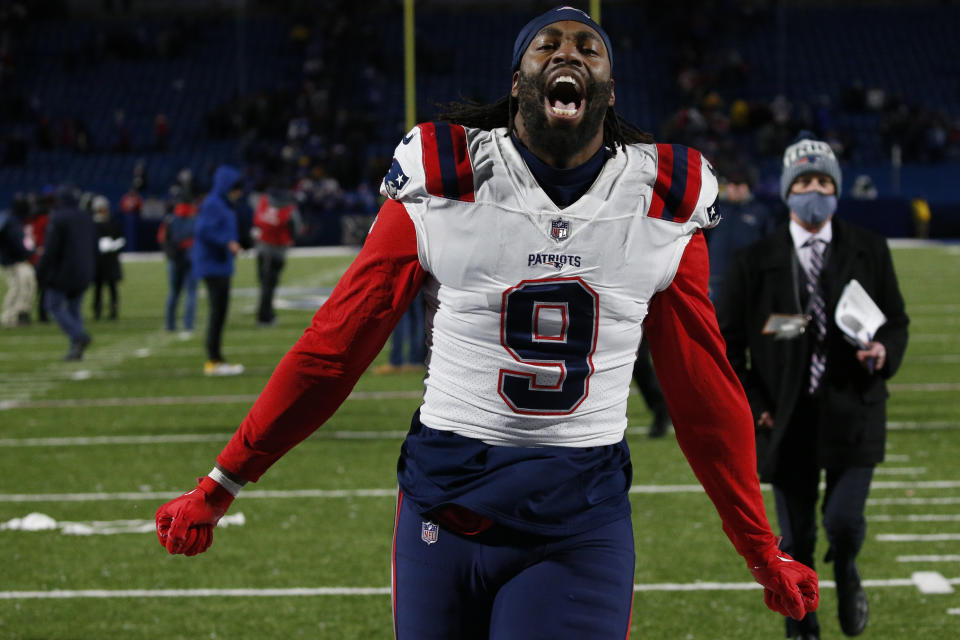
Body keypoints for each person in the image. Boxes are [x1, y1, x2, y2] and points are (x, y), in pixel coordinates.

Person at [156, 8, 818, 638]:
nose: (568, 53)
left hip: (577, 521)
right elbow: (336, 348)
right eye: (547, 46)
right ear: (516, 83)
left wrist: (761, 547)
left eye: (589, 48)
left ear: (609, 91)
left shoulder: (661, 196)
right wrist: (223, 482)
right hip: (444, 508)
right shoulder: (450, 177)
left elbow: (702, 390)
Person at [717, 135, 909, 639]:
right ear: (786, 191)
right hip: (785, 416)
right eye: (803, 182)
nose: (814, 191)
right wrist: (755, 403)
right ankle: (804, 626)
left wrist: (884, 350)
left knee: (843, 523)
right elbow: (729, 345)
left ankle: (846, 570)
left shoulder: (869, 249)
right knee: (796, 540)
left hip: (855, 408)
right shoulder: (754, 261)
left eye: (823, 181)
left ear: (837, 189)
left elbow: (896, 322)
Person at [192, 165, 245, 375]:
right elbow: (202, 230)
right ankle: (214, 359)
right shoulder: (214, 203)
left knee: (220, 312)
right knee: (217, 312)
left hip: (219, 264)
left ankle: (216, 357)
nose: (239, 193)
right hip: (213, 265)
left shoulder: (221, 203)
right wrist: (228, 242)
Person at [35, 187, 97, 360]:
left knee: (53, 305)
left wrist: (40, 271)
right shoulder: (86, 217)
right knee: (74, 308)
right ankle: (75, 350)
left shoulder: (58, 218)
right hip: (85, 270)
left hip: (64, 272)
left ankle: (78, 336)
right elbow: (94, 246)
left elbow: (51, 250)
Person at [705, 166, 778, 304]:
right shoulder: (714, 210)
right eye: (732, 183)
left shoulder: (760, 212)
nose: (736, 188)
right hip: (716, 278)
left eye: (740, 184)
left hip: (749, 278)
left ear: (748, 187)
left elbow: (769, 244)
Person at [251, 189, 303, 326]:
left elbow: (256, 221)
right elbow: (297, 228)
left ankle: (266, 312)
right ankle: (264, 316)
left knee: (264, 284)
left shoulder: (263, 202)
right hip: (277, 251)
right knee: (270, 285)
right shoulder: (289, 210)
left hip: (262, 248)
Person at [158, 191, 198, 337]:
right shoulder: (196, 219)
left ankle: (170, 324)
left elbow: (162, 239)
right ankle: (188, 324)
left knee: (174, 292)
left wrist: (171, 255)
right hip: (192, 260)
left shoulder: (170, 219)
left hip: (175, 260)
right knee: (191, 293)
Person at [0, 196, 37, 328]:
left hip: (19, 260)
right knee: (17, 288)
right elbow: (17, 242)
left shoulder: (13, 220)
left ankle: (21, 314)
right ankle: (8, 317)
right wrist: (30, 252)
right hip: (13, 261)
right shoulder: (11, 222)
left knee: (27, 286)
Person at [372, 292, 426, 374]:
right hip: (420, 282)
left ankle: (396, 362)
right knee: (415, 315)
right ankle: (415, 361)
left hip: (406, 281)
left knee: (400, 314)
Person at [90, 195, 125, 321]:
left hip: (110, 260)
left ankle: (114, 311)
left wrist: (113, 245)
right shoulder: (92, 224)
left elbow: (121, 238)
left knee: (112, 287)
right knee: (98, 288)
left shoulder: (112, 223)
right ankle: (97, 310)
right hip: (98, 261)